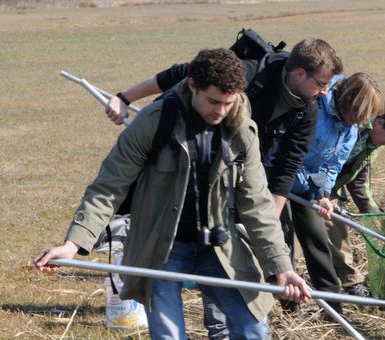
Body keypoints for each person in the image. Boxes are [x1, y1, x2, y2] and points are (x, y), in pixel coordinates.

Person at [33, 48, 310, 339]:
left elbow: (257, 203)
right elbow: (109, 186)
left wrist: (281, 266)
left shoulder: (241, 128)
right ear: (192, 86)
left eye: (229, 103)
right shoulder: (155, 121)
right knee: (168, 335)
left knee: (252, 325)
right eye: (213, 101)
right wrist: (73, 244)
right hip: (161, 246)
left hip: (218, 245)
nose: (221, 111)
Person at [106, 37, 343, 217]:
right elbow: (183, 73)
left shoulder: (308, 108)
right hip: (191, 141)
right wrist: (125, 98)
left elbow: (288, 165)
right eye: (322, 84)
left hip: (241, 163)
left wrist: (271, 219)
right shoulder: (250, 72)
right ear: (300, 74)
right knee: (146, 195)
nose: (325, 92)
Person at [283, 72, 384, 313]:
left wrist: (322, 194)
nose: (361, 123)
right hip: (280, 182)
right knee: (284, 240)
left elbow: (333, 164)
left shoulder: (349, 127)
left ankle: (333, 307)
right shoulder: (314, 110)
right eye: (359, 115)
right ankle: (289, 303)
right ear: (348, 101)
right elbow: (287, 155)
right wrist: (307, 185)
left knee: (317, 239)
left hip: (307, 188)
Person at [327, 102, 385, 295]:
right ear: (379, 123)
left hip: (329, 188)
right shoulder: (351, 126)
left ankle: (349, 282)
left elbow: (358, 181)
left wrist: (375, 217)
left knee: (336, 228)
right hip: (309, 178)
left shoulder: (375, 142)